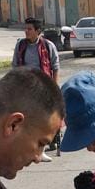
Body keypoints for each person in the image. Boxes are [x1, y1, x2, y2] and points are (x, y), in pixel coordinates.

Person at [13, 17, 61, 153]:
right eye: (25, 29)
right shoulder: (21, 46)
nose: (26, 32)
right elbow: (15, 66)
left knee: (46, 116)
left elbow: (55, 67)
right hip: (26, 87)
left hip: (44, 87)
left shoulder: (48, 46)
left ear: (37, 31)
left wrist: (55, 87)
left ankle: (48, 140)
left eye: (29, 29)